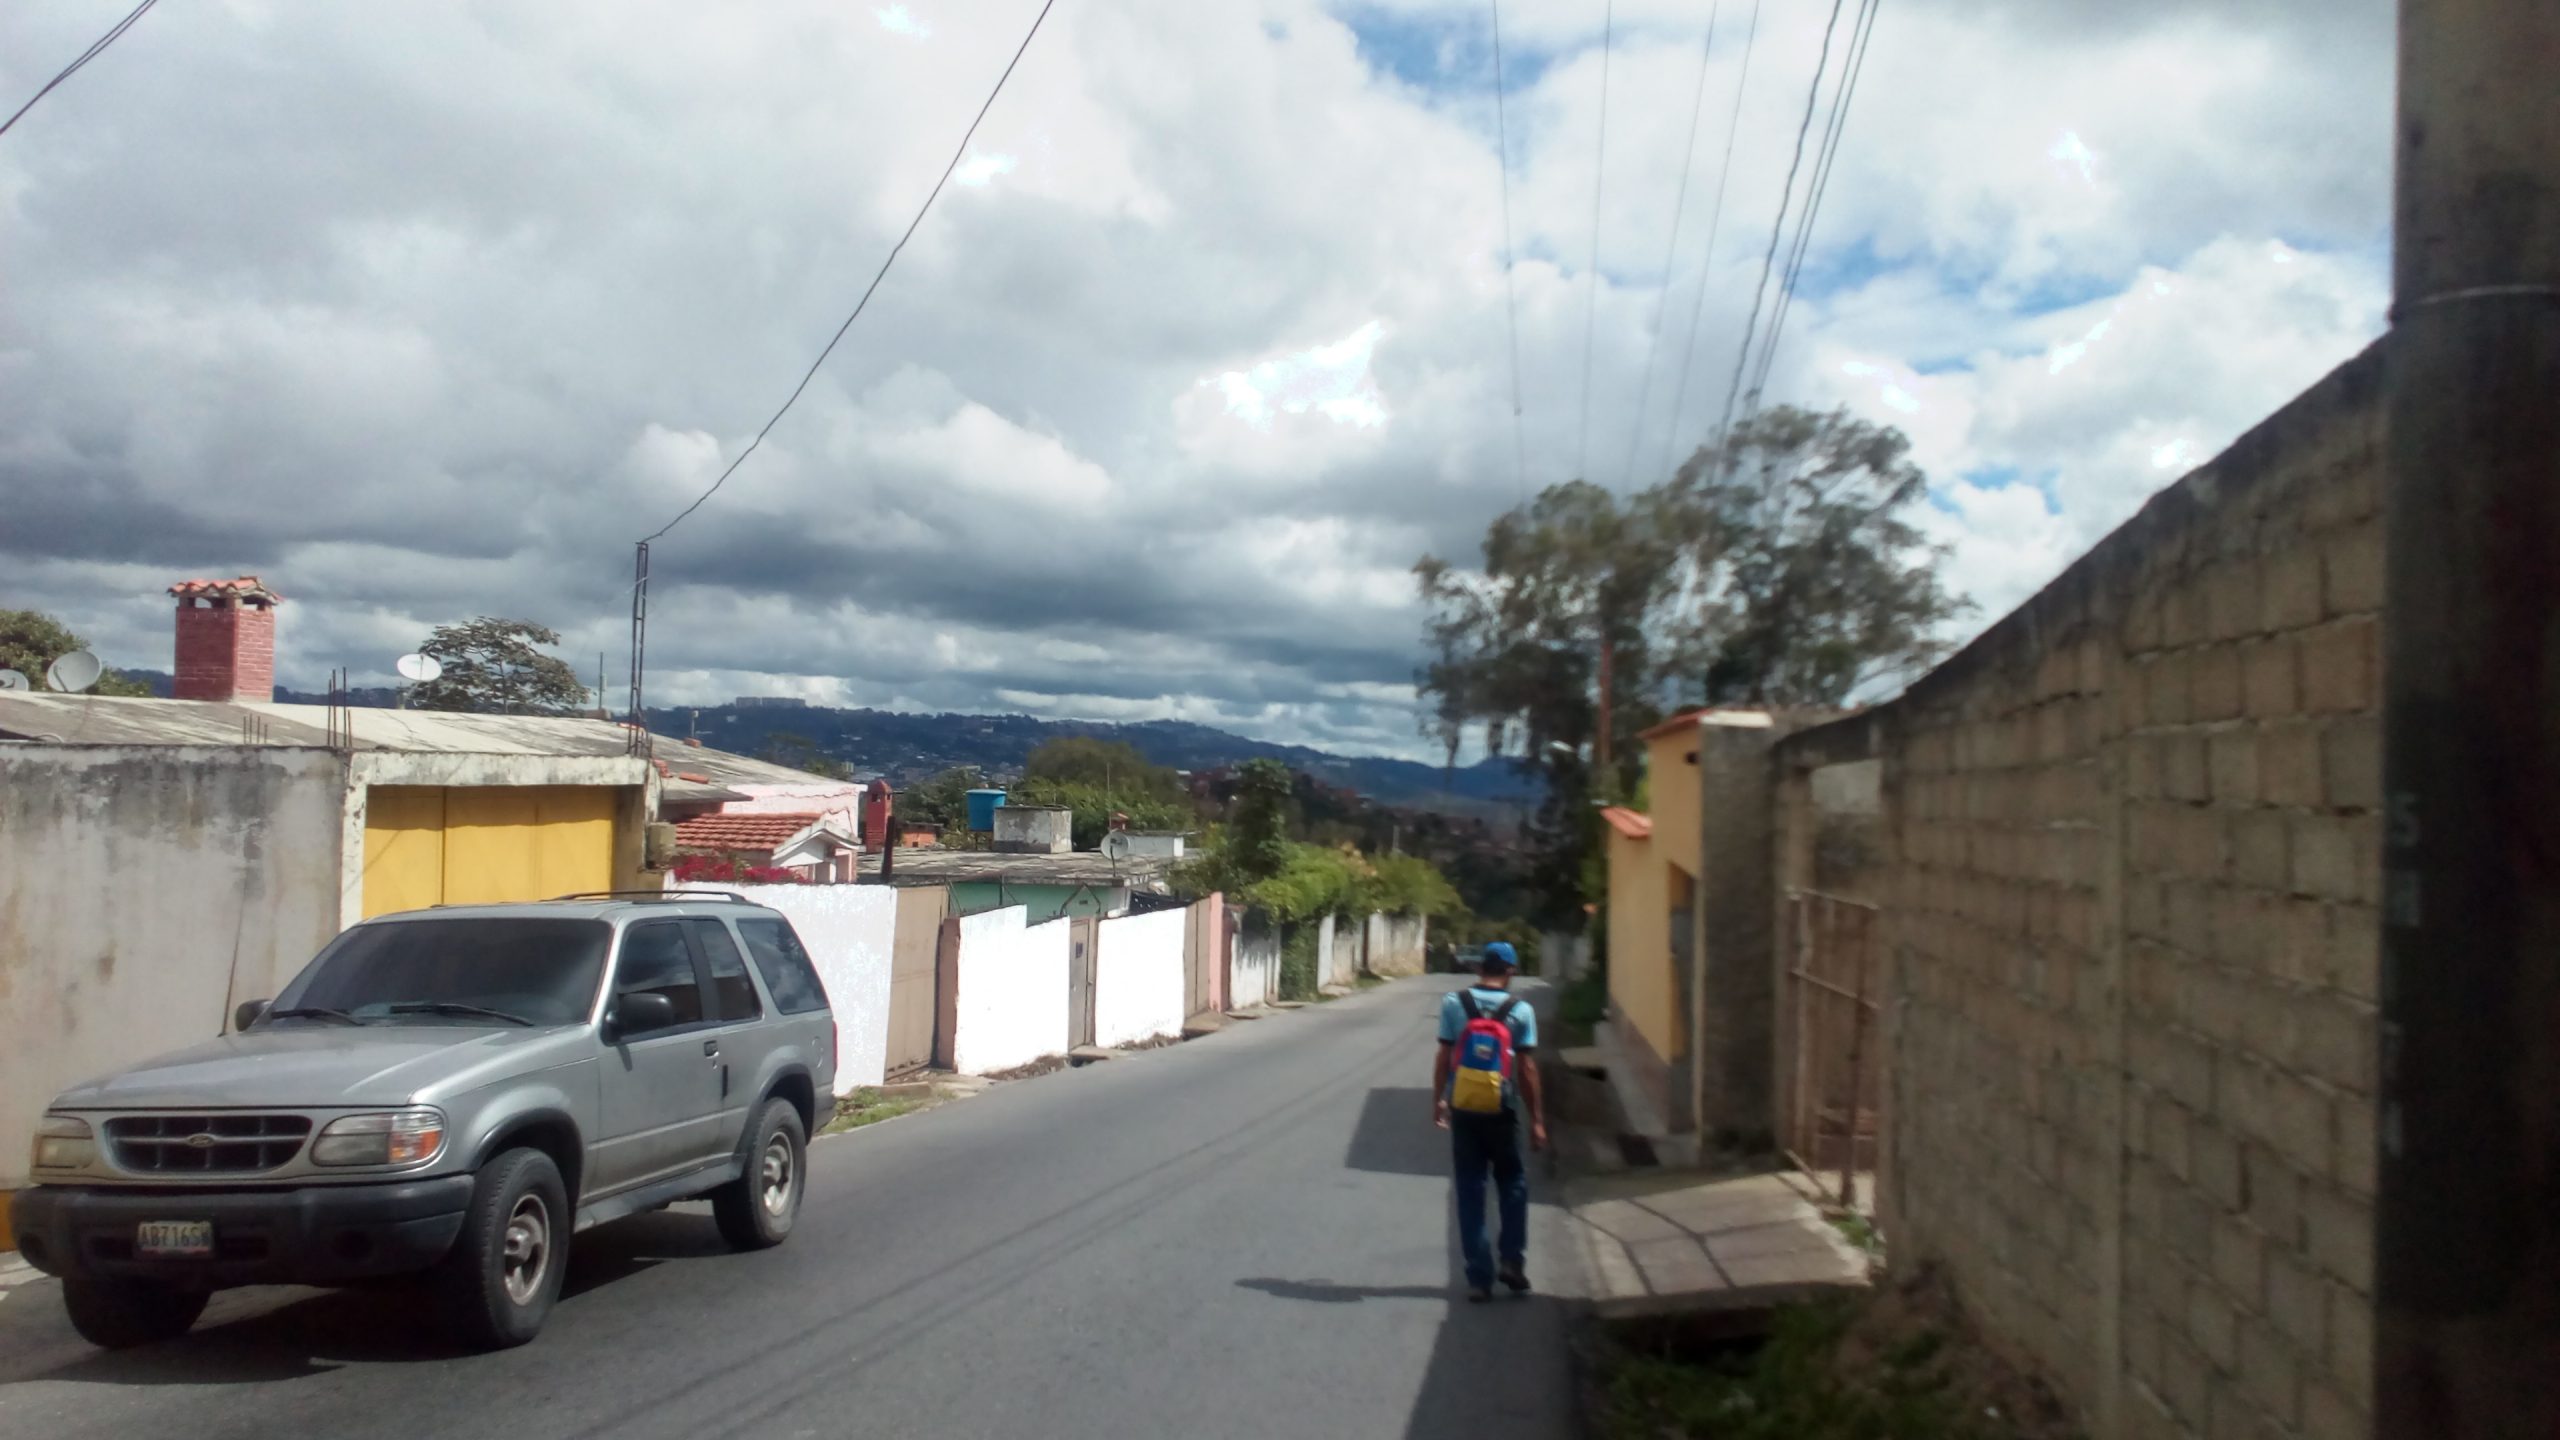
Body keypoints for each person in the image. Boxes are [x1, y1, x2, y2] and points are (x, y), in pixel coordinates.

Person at [1431, 940, 1546, 1301]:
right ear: (1510, 971)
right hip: (1503, 1109)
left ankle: (1479, 1278)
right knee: (1512, 1182)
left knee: (1470, 1187)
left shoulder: (1454, 1003)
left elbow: (1444, 1057)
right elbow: (1526, 1068)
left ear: (1480, 968)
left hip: (1465, 1108)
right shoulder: (1520, 1011)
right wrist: (1538, 1119)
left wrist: (1440, 1100)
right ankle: (1512, 1261)